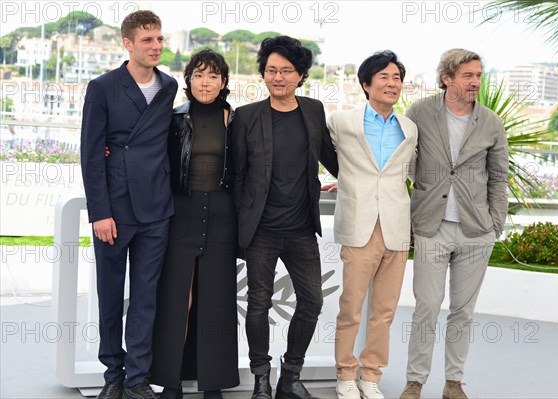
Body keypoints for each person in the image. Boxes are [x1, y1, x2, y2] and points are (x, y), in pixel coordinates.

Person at [231, 35, 339, 399]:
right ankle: (260, 377)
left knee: (313, 301)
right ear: (263, 74)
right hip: (260, 230)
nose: (278, 77)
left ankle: (290, 375)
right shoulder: (246, 117)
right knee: (259, 304)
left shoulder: (313, 110)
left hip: (301, 229)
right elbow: (237, 177)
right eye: (272, 70)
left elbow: (330, 155)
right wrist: (236, 229)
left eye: (287, 71)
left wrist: (349, 180)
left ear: (301, 75)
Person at [399, 49, 509, 399]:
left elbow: (499, 177)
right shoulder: (419, 113)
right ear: (447, 78)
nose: (475, 81)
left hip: (477, 230)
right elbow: (401, 157)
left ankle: (453, 383)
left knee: (463, 311)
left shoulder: (491, 122)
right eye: (468, 76)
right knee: (427, 307)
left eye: (478, 75)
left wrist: (496, 224)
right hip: (432, 226)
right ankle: (415, 381)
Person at [80, 10, 177, 399]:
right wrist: (100, 211)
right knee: (109, 294)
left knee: (145, 297)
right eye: (147, 40)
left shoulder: (169, 86)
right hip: (115, 210)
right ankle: (113, 375)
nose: (156, 46)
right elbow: (89, 153)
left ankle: (137, 379)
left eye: (159, 39)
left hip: (157, 206)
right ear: (127, 44)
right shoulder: (102, 87)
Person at [324, 51, 417, 399]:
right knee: (351, 306)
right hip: (359, 225)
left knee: (385, 310)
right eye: (384, 77)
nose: (392, 83)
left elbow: (407, 173)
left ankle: (371, 375)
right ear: (366, 84)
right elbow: (323, 154)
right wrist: (341, 178)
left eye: (396, 78)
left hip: (396, 226)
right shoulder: (341, 121)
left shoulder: (409, 128)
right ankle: (345, 373)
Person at [150, 49, 239, 399]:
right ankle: (170, 382)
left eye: (214, 75)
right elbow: (147, 152)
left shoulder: (235, 120)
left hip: (221, 213)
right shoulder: (173, 118)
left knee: (216, 300)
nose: (207, 82)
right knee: (176, 299)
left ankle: (212, 384)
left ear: (224, 82)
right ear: (188, 79)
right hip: (180, 212)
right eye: (200, 74)